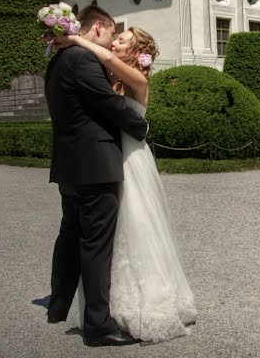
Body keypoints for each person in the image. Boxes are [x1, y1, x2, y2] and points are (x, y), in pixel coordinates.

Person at [53, 25, 197, 344]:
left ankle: (149, 301)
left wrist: (76, 39)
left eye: (122, 40)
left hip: (132, 159)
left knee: (138, 225)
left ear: (134, 52)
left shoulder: (138, 79)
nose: (114, 42)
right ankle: (111, 305)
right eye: (116, 37)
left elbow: (102, 54)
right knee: (112, 235)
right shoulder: (112, 78)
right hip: (109, 157)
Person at [44, 5, 148, 347]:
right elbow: (106, 102)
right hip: (95, 164)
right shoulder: (82, 60)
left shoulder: (57, 61)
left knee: (72, 236)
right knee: (96, 245)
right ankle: (97, 326)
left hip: (70, 166)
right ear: (100, 28)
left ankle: (59, 304)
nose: (112, 40)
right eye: (112, 33)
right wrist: (140, 125)